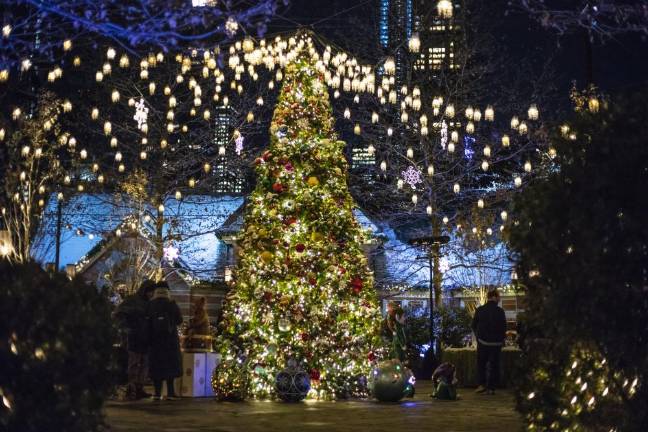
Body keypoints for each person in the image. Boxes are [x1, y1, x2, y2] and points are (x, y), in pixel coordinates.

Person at [113, 279, 156, 400]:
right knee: (134, 363)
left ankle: (139, 388)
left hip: (145, 338)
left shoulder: (149, 303)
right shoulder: (132, 300)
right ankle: (131, 388)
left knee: (143, 364)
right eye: (150, 292)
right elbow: (119, 313)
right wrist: (127, 328)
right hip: (134, 337)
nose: (151, 294)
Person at [146, 281, 183, 400]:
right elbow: (179, 320)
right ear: (167, 292)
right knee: (170, 366)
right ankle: (171, 393)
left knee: (157, 366)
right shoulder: (171, 304)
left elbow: (147, 322)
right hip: (170, 341)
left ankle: (157, 393)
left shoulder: (151, 305)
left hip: (154, 340)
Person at [471, 289, 507, 395]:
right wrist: (501, 339)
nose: (499, 299)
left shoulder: (480, 310)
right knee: (494, 365)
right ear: (494, 297)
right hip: (496, 343)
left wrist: (478, 337)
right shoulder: (500, 311)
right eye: (499, 296)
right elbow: (504, 327)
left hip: (483, 342)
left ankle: (481, 385)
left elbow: (473, 325)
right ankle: (491, 387)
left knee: (481, 364)